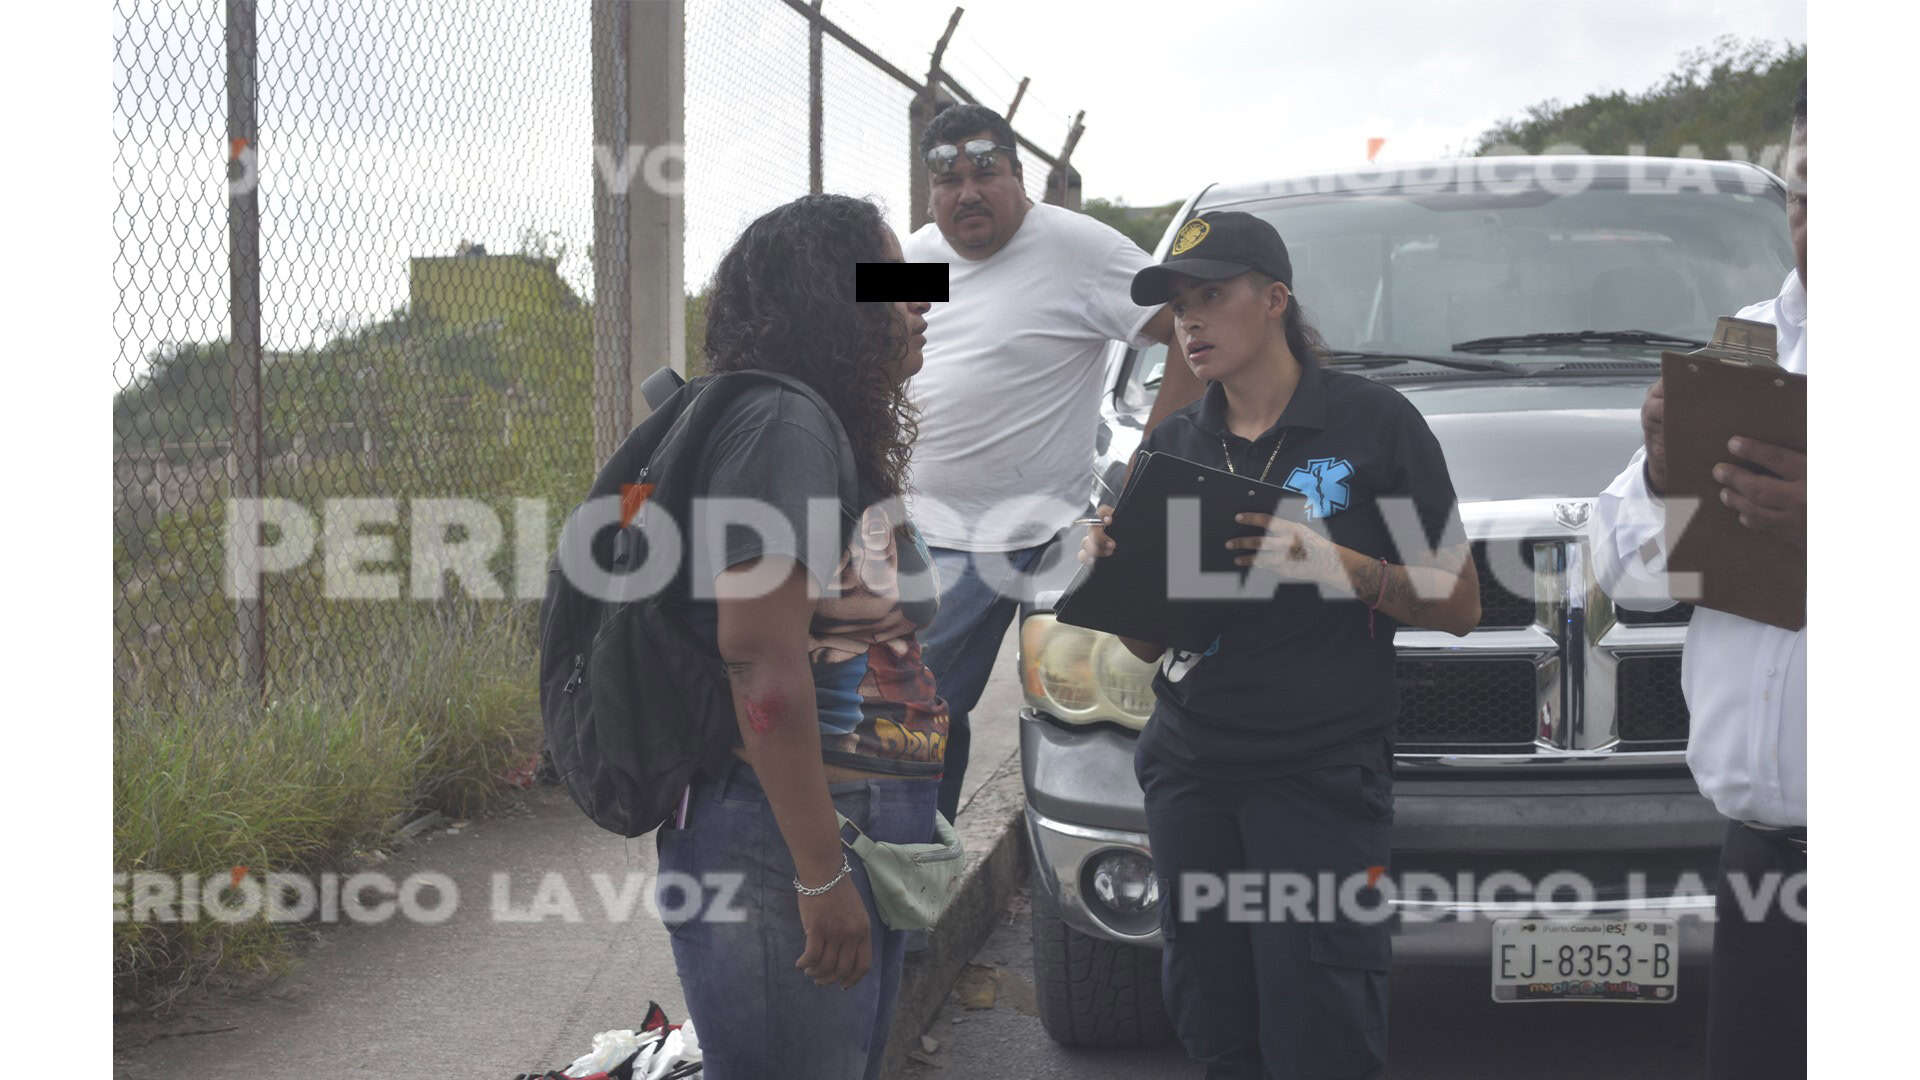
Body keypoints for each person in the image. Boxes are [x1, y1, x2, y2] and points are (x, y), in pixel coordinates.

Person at [1080, 211, 1481, 1079]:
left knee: (1320, 1028)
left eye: (1211, 297)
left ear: (1275, 301)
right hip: (1193, 769)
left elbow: (1458, 602)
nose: (1190, 322)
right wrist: (1116, 570)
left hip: (1320, 774)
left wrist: (1334, 563)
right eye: (1179, 306)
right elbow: (1145, 644)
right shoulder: (1175, 447)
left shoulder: (1374, 426)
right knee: (1213, 1017)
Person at [653, 194, 943, 1080]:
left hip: (843, 823)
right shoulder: (782, 428)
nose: (921, 304)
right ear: (837, 299)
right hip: (781, 837)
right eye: (897, 285)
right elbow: (758, 657)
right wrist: (819, 875)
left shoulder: (820, 427)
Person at [902, 102, 1203, 822]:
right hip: (933, 529)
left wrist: (1149, 471)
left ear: (1018, 175)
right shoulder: (915, 261)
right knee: (918, 708)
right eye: (947, 181)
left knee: (1103, 711)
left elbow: (1188, 333)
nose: (966, 193)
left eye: (985, 173)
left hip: (1054, 529)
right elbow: (861, 350)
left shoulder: (1078, 250)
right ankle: (913, 871)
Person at [1591, 81, 1807, 1080]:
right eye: (1805, 190)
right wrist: (1661, 476)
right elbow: (1625, 577)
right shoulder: (1745, 346)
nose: (1815, 218)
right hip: (1760, 849)